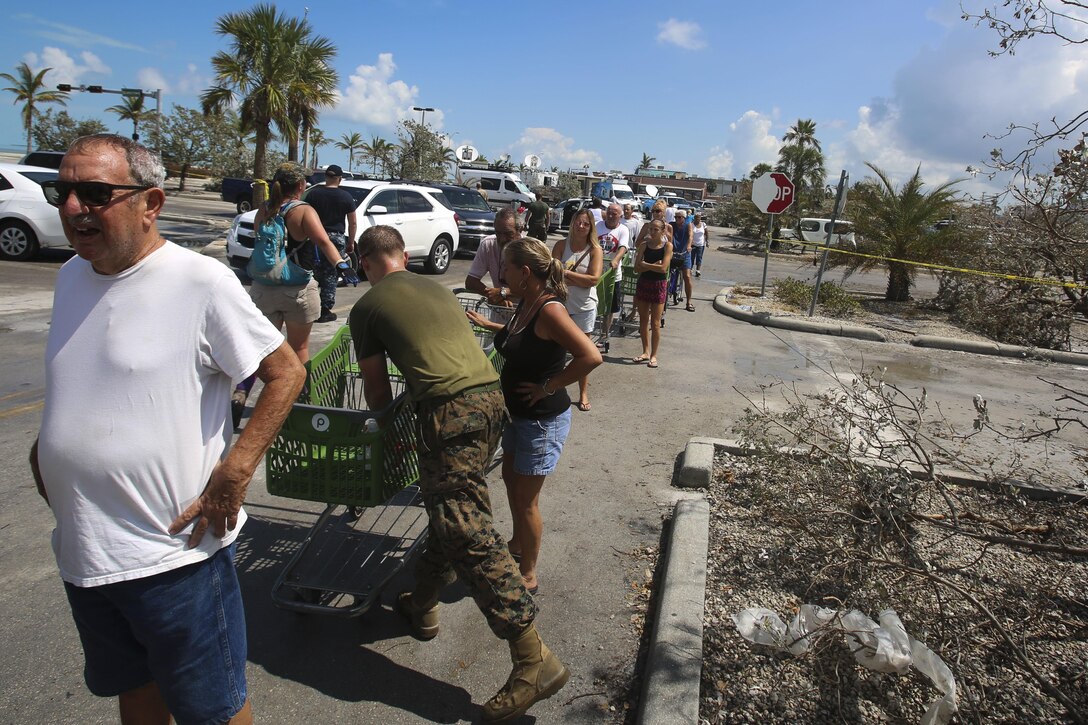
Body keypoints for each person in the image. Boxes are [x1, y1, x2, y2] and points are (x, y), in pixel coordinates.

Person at [31, 134, 307, 725]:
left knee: (213, 709)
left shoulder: (198, 282)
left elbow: (285, 373)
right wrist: (46, 454)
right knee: (135, 689)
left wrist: (234, 471)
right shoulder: (71, 278)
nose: (75, 207)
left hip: (173, 559)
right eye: (66, 191)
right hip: (85, 549)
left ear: (150, 203)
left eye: (96, 193)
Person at [349, 226, 569, 722]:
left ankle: (533, 657)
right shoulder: (435, 286)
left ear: (364, 263)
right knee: (451, 513)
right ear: (404, 255)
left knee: (465, 527)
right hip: (490, 402)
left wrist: (389, 434)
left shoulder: (366, 308)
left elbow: (378, 392)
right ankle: (422, 602)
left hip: (448, 412)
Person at [466, 238, 601, 596]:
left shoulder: (550, 309)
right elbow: (523, 339)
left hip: (541, 421)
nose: (501, 272)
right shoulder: (527, 302)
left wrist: (550, 386)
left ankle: (528, 572)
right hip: (518, 416)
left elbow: (590, 356)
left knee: (527, 500)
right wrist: (491, 326)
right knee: (512, 482)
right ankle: (517, 542)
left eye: (507, 267)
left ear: (525, 273)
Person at [230, 162, 356, 427]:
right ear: (300, 186)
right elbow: (324, 241)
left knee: (260, 348)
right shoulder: (303, 211)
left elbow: (261, 242)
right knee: (299, 347)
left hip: (263, 288)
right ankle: (302, 401)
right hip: (296, 289)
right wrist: (342, 265)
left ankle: (242, 390)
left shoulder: (263, 210)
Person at [551, 208, 603, 411]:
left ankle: (583, 393)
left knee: (583, 353)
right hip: (561, 306)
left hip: (583, 307)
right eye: (578, 222)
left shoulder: (594, 250)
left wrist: (565, 274)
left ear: (591, 227)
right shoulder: (561, 245)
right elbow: (551, 273)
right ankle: (554, 388)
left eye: (586, 224)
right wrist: (571, 277)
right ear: (572, 223)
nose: (581, 226)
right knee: (556, 350)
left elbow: (594, 279)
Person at [307, 164, 358, 322]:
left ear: (326, 177)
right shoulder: (346, 197)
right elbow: (353, 222)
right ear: (340, 179)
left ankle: (311, 306)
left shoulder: (314, 194)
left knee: (313, 273)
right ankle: (325, 309)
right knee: (331, 273)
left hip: (315, 237)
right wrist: (350, 242)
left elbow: (305, 214)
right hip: (336, 238)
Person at [632, 219, 673, 368]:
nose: (652, 232)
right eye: (651, 229)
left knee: (655, 323)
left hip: (659, 285)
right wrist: (652, 266)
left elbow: (663, 268)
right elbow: (636, 268)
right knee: (643, 320)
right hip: (644, 283)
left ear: (662, 231)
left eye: (656, 229)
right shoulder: (644, 245)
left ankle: (654, 355)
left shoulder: (667, 246)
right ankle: (645, 352)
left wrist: (645, 265)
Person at [465, 207, 521, 306]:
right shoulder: (488, 244)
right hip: (499, 312)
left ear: (519, 230)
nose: (502, 239)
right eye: (498, 233)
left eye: (508, 234)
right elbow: (471, 282)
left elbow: (539, 289)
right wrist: (494, 296)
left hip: (525, 315)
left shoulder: (530, 249)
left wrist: (504, 292)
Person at [596, 203, 631, 353]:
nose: (610, 216)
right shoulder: (598, 226)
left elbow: (623, 247)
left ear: (620, 216)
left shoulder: (623, 229)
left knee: (609, 307)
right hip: (596, 271)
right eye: (609, 212)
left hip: (612, 274)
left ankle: (604, 335)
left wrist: (616, 259)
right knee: (593, 304)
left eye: (614, 213)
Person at [670, 209, 695, 311]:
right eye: (676, 217)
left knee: (687, 276)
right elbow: (668, 235)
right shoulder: (672, 225)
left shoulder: (688, 225)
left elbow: (690, 236)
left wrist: (689, 245)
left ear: (684, 218)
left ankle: (689, 302)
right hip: (672, 252)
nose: (677, 219)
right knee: (666, 274)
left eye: (679, 217)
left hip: (685, 253)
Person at [690, 212, 708, 277]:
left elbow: (706, 233)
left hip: (701, 244)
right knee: (692, 257)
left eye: (699, 217)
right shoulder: (691, 225)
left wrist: (707, 241)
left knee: (699, 257)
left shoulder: (703, 224)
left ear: (700, 218)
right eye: (696, 217)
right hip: (693, 244)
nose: (697, 219)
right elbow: (689, 234)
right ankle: (690, 269)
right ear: (694, 218)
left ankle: (698, 270)